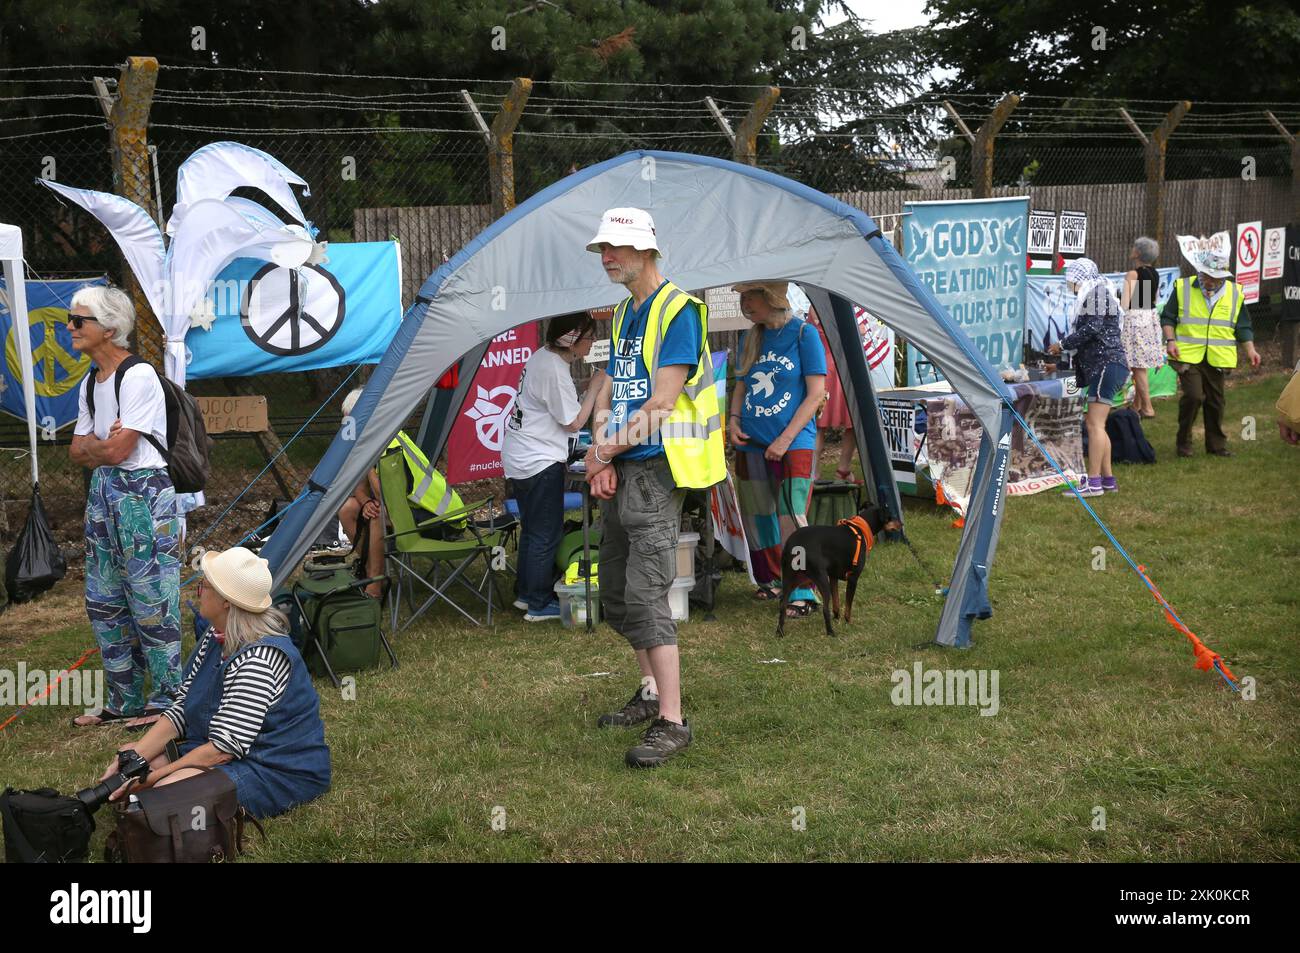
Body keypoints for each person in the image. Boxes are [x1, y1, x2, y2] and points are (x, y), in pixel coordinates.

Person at [582, 206, 725, 768]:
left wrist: (601, 453)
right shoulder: (622, 314)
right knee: (617, 592)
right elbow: (616, 394)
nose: (606, 256)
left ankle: (672, 720)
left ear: (646, 249)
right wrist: (603, 455)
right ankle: (649, 697)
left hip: (660, 468)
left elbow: (662, 404)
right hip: (624, 464)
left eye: (615, 247)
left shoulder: (679, 311)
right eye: (602, 249)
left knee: (645, 592)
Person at [96, 547, 331, 819]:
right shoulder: (216, 635)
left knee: (162, 791)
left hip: (278, 768)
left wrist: (150, 780)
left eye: (203, 585)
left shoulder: (259, 659)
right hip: (229, 750)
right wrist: (134, 759)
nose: (198, 591)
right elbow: (183, 707)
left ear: (227, 602)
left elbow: (221, 751)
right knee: (143, 766)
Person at [67, 286, 180, 731]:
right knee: (104, 598)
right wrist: (102, 443)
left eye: (80, 321)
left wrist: (100, 447)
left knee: (151, 596)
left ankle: (169, 701)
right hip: (104, 492)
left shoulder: (138, 376)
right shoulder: (91, 383)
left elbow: (118, 452)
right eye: (71, 320)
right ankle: (125, 699)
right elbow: (79, 452)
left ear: (110, 329)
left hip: (142, 491)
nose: (71, 328)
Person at [728, 281, 827, 616]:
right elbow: (742, 384)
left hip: (794, 444)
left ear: (771, 297)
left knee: (790, 517)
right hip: (752, 444)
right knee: (758, 517)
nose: (744, 303)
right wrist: (733, 419)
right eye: (741, 297)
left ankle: (803, 590)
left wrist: (784, 440)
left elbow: (816, 394)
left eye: (749, 296)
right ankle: (770, 580)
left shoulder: (804, 335)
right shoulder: (750, 337)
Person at [502, 313, 605, 621]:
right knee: (546, 533)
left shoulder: (543, 358)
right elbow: (574, 422)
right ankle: (538, 603)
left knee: (534, 529)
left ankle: (525, 593)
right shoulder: (553, 369)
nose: (592, 342)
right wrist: (597, 387)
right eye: (589, 337)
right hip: (538, 460)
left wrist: (584, 389)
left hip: (522, 457)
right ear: (571, 338)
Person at [338, 388, 468, 597]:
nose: (346, 427)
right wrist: (364, 503)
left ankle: (375, 585)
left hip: (443, 517)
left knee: (378, 515)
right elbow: (360, 489)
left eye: (350, 420)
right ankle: (368, 571)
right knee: (347, 509)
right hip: (409, 509)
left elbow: (385, 497)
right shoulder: (370, 443)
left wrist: (367, 464)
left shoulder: (390, 445)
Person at [1160, 247, 1261, 457]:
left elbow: (1243, 326)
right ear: (1201, 271)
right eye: (1207, 275)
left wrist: (1250, 350)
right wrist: (1170, 341)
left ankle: (1216, 446)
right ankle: (1183, 442)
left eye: (1216, 277)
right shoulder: (1183, 287)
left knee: (1216, 401)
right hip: (1187, 355)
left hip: (1217, 356)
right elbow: (1168, 317)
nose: (1210, 280)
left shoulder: (1235, 292)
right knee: (1194, 396)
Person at [1049, 259, 1129, 497]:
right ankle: (1107, 479)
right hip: (1109, 364)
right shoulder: (1099, 292)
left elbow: (1092, 328)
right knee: (1099, 425)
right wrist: (1062, 360)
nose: (1069, 285)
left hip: (1106, 364)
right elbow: (1092, 337)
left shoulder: (1096, 294)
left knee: (1094, 425)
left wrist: (1062, 344)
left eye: (1070, 279)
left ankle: (1093, 483)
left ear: (1078, 277)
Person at [1119, 236, 1164, 418]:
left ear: (1138, 252)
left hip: (1135, 320)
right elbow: (1151, 299)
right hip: (1149, 318)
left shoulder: (1132, 274)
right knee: (1141, 365)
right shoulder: (1154, 273)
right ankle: (1137, 405)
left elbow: (1125, 303)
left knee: (1137, 366)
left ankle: (1147, 407)